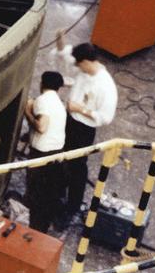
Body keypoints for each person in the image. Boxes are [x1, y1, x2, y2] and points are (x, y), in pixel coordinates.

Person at [54, 33, 118, 225]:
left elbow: (106, 117)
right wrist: (60, 39)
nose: (77, 69)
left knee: (77, 168)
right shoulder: (84, 70)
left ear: (88, 62)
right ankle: (57, 192)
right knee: (60, 156)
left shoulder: (106, 86)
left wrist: (80, 108)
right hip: (69, 120)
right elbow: (65, 54)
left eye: (79, 65)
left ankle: (72, 207)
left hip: (84, 129)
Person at [23, 71, 67, 232]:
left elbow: (42, 127)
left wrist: (27, 111)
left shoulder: (42, 101)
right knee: (48, 193)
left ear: (42, 84)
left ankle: (34, 229)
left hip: (41, 154)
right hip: (56, 152)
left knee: (36, 193)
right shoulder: (58, 103)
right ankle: (45, 225)